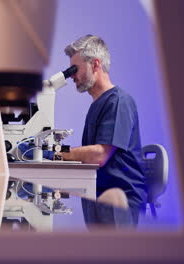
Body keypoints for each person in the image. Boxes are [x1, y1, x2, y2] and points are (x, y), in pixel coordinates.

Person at [61, 35, 146, 227]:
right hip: (98, 194)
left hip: (119, 200)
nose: (72, 75)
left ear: (95, 64)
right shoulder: (97, 104)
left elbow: (99, 156)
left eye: (75, 69)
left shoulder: (118, 101)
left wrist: (57, 153)